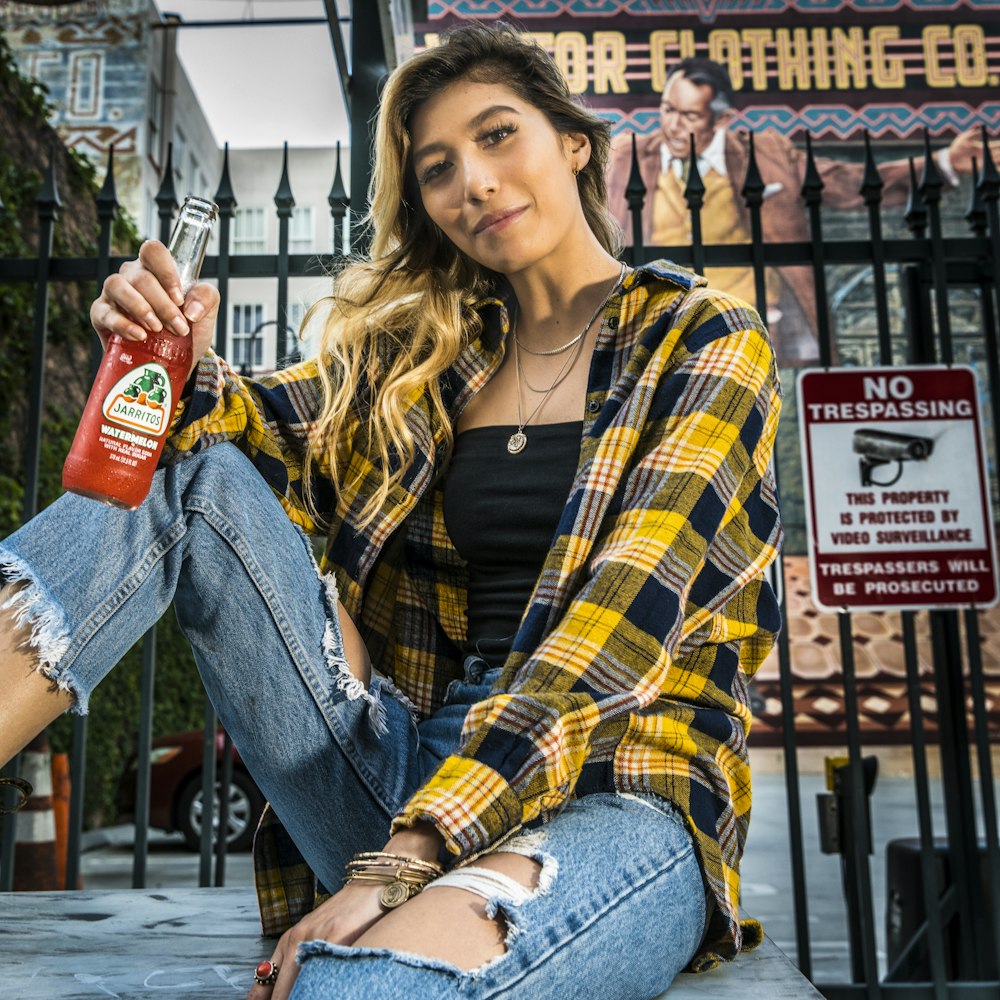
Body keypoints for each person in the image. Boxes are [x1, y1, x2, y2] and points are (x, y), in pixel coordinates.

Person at [0, 23, 781, 1000]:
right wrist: (169, 361)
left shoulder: (699, 342)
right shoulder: (422, 361)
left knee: (359, 989)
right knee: (189, 478)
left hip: (610, 793)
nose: (474, 182)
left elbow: (612, 640)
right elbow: (245, 430)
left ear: (573, 142)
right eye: (438, 167)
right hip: (397, 768)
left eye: (499, 136)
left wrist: (408, 857)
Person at [607, 56, 997, 364]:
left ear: (722, 119)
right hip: (656, 327)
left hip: (755, 324)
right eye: (666, 109)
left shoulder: (768, 154)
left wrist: (944, 162)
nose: (673, 125)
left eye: (688, 116)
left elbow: (853, 182)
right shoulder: (626, 157)